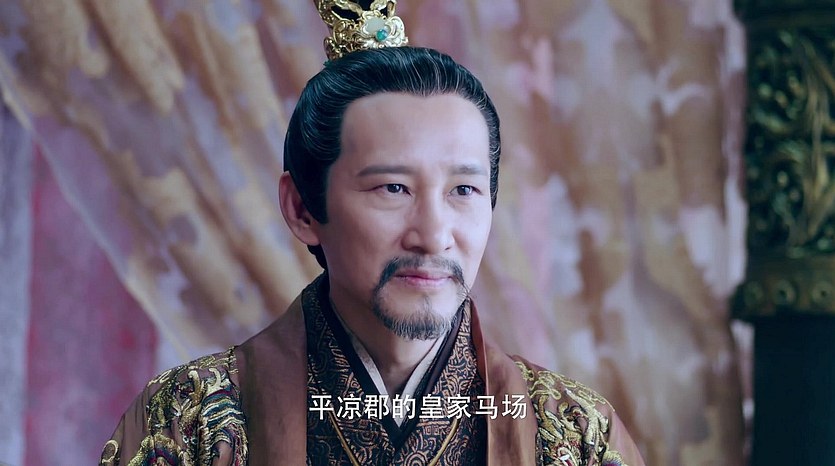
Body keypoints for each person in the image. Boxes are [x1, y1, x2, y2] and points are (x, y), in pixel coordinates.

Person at [101, 3, 645, 466]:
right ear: (302, 208)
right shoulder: (186, 423)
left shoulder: (576, 434)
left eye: (463, 190)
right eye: (392, 188)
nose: (433, 235)